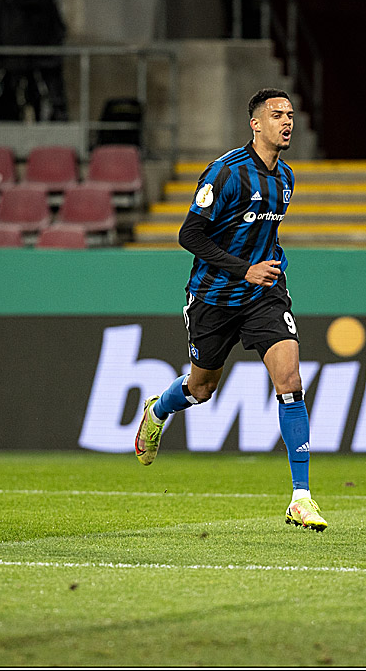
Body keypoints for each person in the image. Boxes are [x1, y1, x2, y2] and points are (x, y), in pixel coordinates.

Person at [133, 88, 327, 532]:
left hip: (264, 295)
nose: (287, 121)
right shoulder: (225, 173)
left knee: (291, 380)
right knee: (202, 390)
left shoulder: (286, 178)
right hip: (214, 298)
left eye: (291, 114)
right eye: (277, 114)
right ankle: (159, 409)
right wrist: (244, 269)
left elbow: (262, 238)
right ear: (255, 123)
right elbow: (190, 235)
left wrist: (261, 273)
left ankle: (301, 497)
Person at [0, 0, 68, 122]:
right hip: (4, 62)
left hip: (39, 61)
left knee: (47, 111)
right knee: (3, 113)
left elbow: (57, 26)